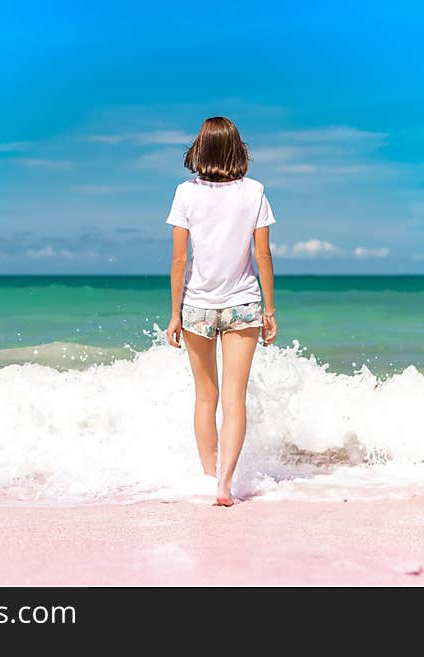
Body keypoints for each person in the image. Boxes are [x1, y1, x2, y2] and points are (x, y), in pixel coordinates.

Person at [164, 116, 278, 507]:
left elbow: (180, 260)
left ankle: (207, 477)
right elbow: (262, 254)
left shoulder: (185, 193)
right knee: (235, 398)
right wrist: (270, 309)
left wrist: (175, 313)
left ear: (201, 148)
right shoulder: (255, 191)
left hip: (196, 303)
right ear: (236, 148)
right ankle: (224, 486)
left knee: (204, 399)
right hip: (244, 303)